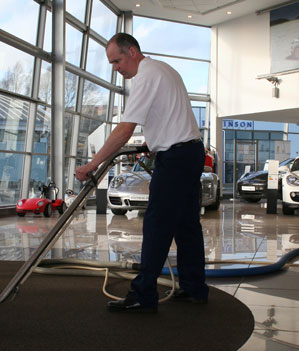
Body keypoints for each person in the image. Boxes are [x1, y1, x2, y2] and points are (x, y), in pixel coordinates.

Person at [75, 33, 209, 313]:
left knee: (157, 224)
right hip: (190, 152)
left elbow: (124, 129)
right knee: (186, 225)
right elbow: (169, 115)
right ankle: (194, 287)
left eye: (117, 60)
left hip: (176, 158)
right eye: (112, 63)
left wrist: (92, 165)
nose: (116, 68)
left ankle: (143, 295)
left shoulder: (145, 77)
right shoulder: (164, 69)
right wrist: (155, 141)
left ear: (132, 52)